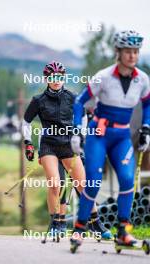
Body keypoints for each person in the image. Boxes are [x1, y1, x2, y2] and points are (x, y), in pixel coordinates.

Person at [70, 30, 150, 250]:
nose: (132, 56)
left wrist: (146, 128)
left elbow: (148, 104)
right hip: (99, 134)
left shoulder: (142, 79)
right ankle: (79, 228)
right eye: (128, 51)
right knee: (94, 183)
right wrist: (77, 131)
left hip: (122, 136)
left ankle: (123, 232)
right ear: (118, 52)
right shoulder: (103, 76)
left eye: (136, 51)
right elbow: (79, 101)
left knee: (127, 180)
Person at [22, 61, 112, 239]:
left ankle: (95, 223)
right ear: (46, 78)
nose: (56, 80)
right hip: (49, 145)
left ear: (63, 78)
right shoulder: (38, 101)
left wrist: (82, 136)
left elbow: (84, 116)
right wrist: (28, 143)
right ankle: (57, 223)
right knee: (55, 184)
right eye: (52, 77)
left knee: (83, 185)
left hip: (69, 144)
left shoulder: (73, 97)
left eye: (59, 77)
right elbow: (26, 122)